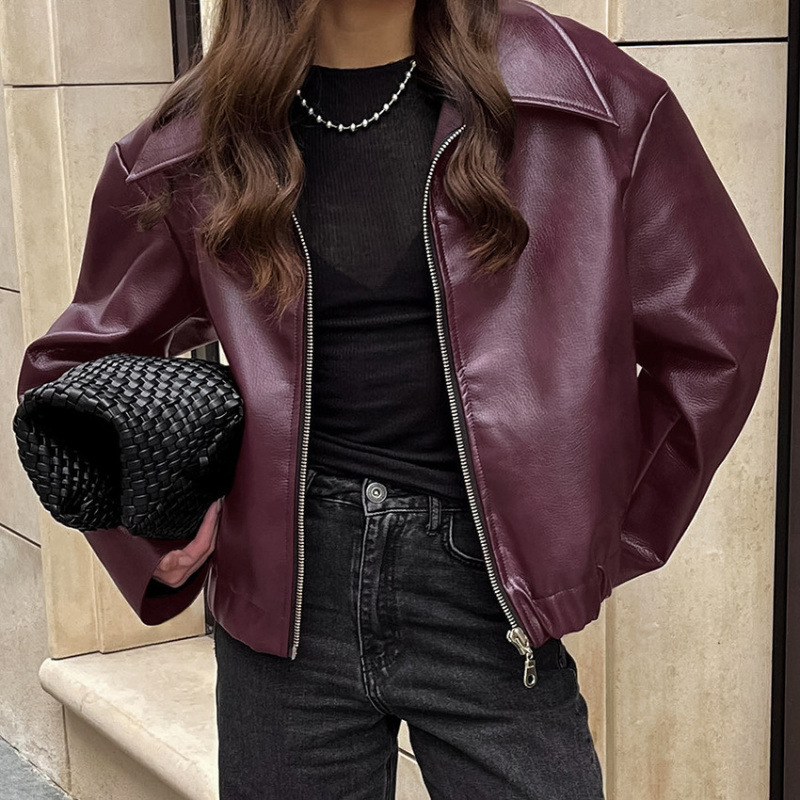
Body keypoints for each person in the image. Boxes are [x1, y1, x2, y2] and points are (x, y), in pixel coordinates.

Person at [14, 0, 779, 798]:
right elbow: (67, 378)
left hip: (484, 597)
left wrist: (594, 537)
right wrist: (151, 536)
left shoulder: (585, 95)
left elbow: (719, 326)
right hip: (285, 597)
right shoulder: (197, 141)